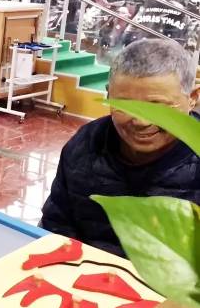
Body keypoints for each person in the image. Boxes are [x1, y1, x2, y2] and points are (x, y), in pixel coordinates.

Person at [40, 39, 199, 256]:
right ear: (108, 95)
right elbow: (56, 225)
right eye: (125, 106)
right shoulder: (85, 146)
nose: (141, 121)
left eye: (158, 107)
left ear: (192, 98)